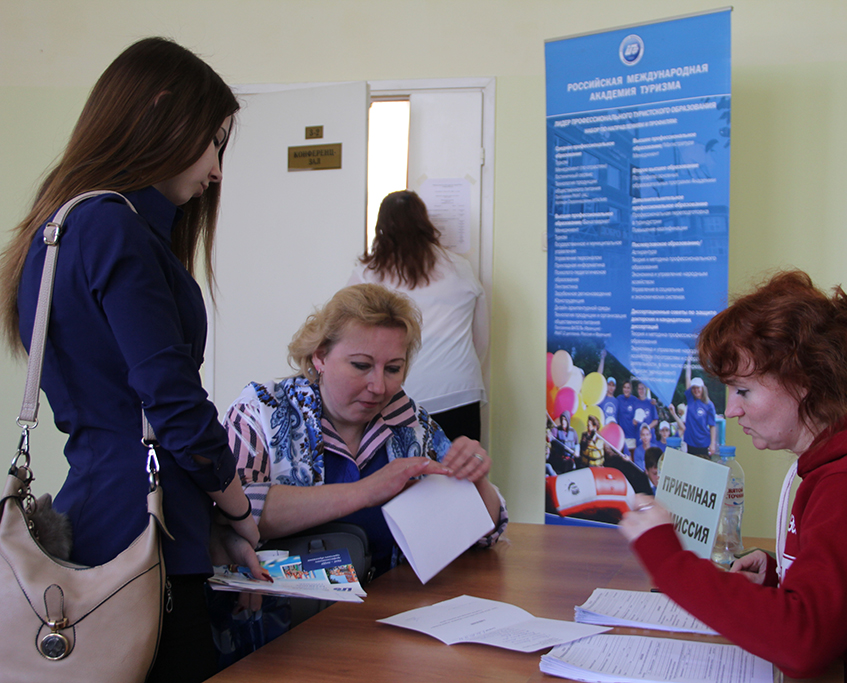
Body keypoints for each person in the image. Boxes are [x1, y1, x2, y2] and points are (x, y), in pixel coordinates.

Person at [0, 37, 261, 683]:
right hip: (142, 531)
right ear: (162, 111)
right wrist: (238, 511)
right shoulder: (114, 227)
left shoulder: (56, 229)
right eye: (214, 142)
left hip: (103, 509)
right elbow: (174, 407)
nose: (217, 171)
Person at [619, 270, 847, 682]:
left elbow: (802, 645)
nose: (731, 410)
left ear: (803, 383)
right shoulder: (845, 465)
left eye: (743, 390)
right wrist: (780, 577)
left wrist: (669, 560)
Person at [224, 283, 507, 573]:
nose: (379, 387)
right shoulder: (260, 410)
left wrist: (475, 479)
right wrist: (365, 491)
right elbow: (232, 513)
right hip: (285, 600)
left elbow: (483, 532)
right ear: (320, 356)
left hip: (390, 598)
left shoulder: (410, 420)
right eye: (361, 365)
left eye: (393, 368)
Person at [348, 190, 487, 441]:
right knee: (462, 465)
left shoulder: (367, 274)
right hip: (459, 388)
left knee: (402, 465)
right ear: (424, 222)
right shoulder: (460, 268)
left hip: (397, 393)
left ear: (382, 227)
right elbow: (481, 338)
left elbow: (346, 333)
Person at [679, 376, 718, 458]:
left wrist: (712, 444)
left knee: (704, 463)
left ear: (702, 388)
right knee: (691, 464)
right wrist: (688, 368)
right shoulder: (690, 399)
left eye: (698, 388)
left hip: (703, 442)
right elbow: (687, 378)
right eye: (694, 388)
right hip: (691, 441)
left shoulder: (709, 405)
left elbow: (712, 425)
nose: (696, 390)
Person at [615, 378, 639, 450]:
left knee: (630, 456)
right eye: (624, 387)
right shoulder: (619, 399)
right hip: (621, 435)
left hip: (632, 436)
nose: (626, 389)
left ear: (631, 389)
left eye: (628, 388)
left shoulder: (635, 400)